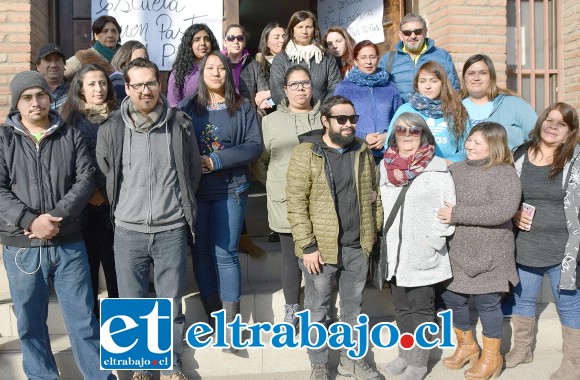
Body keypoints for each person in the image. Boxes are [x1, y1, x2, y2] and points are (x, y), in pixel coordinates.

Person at [1, 71, 113, 379]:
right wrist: (30, 221)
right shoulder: (4, 138)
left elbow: (85, 179)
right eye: (27, 98)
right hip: (22, 247)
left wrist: (55, 218)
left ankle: (98, 375)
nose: (35, 102)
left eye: (40, 95)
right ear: (17, 104)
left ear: (50, 98)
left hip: (68, 243)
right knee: (30, 323)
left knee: (83, 321)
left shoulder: (70, 134)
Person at [96, 58, 201, 380]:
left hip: (171, 228)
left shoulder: (179, 123)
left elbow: (192, 170)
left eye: (151, 83)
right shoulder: (111, 128)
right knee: (132, 301)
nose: (145, 90)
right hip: (128, 229)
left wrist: (179, 210)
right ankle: (141, 365)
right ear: (127, 88)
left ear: (160, 84)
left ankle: (170, 364)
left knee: (171, 302)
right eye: (137, 84)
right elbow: (104, 174)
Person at [286, 95, 383, 380]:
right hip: (320, 249)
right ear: (325, 121)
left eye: (353, 119)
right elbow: (295, 202)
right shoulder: (307, 153)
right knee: (317, 309)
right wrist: (307, 246)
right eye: (342, 119)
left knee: (353, 310)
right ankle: (318, 364)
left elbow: (373, 195)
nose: (349, 124)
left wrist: (372, 232)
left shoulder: (362, 149)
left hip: (357, 247)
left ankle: (351, 362)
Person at [178, 52, 263, 351]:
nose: (216, 73)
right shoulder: (188, 108)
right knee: (201, 252)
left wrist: (215, 159)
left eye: (221, 68)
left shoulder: (242, 107)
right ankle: (214, 320)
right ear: (201, 74)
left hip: (231, 188)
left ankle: (232, 325)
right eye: (209, 68)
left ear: (229, 73)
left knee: (225, 252)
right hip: (197, 191)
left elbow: (254, 146)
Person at [437, 122, 521, 380]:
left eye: (478, 142)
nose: (470, 145)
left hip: (492, 252)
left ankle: (492, 357)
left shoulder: (505, 173)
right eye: (470, 140)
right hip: (459, 250)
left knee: (488, 303)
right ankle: (467, 345)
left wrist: (457, 214)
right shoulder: (456, 170)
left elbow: (503, 211)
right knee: (452, 299)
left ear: (493, 145)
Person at [506, 103, 580, 380]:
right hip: (526, 243)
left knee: (569, 303)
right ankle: (522, 350)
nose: (553, 126)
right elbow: (510, 195)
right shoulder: (520, 153)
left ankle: (573, 362)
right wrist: (513, 214)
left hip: (565, 246)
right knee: (523, 298)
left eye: (561, 124)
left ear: (569, 131)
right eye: (549, 120)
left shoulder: (575, 157)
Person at [380, 112, 455, 380]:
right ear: (394, 134)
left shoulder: (437, 168)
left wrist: (432, 242)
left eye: (414, 130)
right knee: (400, 308)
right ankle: (405, 353)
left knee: (422, 309)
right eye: (401, 130)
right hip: (395, 252)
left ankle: (419, 363)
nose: (407, 135)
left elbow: (449, 209)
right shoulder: (385, 167)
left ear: (423, 134)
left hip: (424, 252)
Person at [257, 65, 323, 328]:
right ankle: (292, 311)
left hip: (320, 201)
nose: (300, 89)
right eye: (294, 84)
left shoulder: (324, 118)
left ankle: (316, 310)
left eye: (304, 83)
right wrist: (272, 183)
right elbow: (260, 161)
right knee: (290, 258)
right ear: (284, 90)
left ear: (312, 86)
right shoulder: (270, 121)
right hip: (284, 200)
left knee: (318, 256)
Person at [60, 63, 118, 317]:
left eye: (102, 82)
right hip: (87, 206)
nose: (99, 88)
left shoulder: (119, 114)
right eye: (92, 84)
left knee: (116, 266)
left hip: (117, 202)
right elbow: (69, 164)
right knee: (90, 266)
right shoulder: (70, 121)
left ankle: (120, 320)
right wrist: (92, 192)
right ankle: (94, 322)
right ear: (80, 89)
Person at [221, 23, 268, 257]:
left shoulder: (253, 65)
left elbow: (263, 92)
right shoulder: (217, 64)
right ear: (225, 41)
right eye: (231, 38)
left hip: (247, 125)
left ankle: (243, 236)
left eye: (240, 38)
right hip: (223, 126)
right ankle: (235, 235)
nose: (236, 42)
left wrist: (259, 106)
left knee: (243, 182)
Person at [334, 40, 402, 163]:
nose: (368, 62)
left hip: (388, 154)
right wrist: (363, 137)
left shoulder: (390, 88)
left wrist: (387, 137)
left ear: (378, 59)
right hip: (355, 153)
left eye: (372, 57)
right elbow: (336, 122)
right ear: (355, 61)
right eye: (363, 57)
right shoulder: (344, 88)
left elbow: (400, 119)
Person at [387, 61, 470, 162]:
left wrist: (447, 163)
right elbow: (389, 143)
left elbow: (467, 148)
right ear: (417, 84)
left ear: (443, 83)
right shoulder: (406, 110)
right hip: (411, 170)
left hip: (448, 170)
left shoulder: (457, 110)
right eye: (422, 81)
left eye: (434, 81)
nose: (427, 86)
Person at [378, 13, 459, 102]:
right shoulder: (389, 60)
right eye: (407, 33)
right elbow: (380, 93)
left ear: (425, 32)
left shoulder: (442, 56)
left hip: (436, 113)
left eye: (418, 31)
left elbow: (454, 90)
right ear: (401, 35)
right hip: (401, 113)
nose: (413, 36)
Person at [461, 54, 537, 149]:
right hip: (466, 163)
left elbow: (537, 137)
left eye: (483, 73)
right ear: (464, 78)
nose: (476, 78)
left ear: (491, 77)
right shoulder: (454, 107)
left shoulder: (515, 104)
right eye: (471, 73)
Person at [270, 10, 341, 105]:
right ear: (292, 30)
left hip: (320, 115)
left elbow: (335, 87)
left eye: (309, 27)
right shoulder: (281, 59)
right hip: (290, 116)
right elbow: (277, 89)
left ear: (314, 30)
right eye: (300, 27)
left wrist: (322, 111)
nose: (304, 31)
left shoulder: (327, 58)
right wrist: (295, 110)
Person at [167, 23, 219, 107]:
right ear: (189, 44)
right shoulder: (179, 70)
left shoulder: (222, 68)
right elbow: (173, 103)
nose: (202, 43)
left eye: (206, 39)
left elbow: (233, 96)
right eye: (197, 39)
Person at [65, 15, 121, 80]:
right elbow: (61, 72)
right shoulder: (85, 56)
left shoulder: (127, 55)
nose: (110, 35)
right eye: (105, 31)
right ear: (95, 35)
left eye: (114, 31)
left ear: (118, 34)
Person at [255, 22, 286, 112]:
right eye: (276, 37)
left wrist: (269, 93)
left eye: (284, 36)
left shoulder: (295, 61)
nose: (282, 40)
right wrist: (262, 100)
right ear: (267, 43)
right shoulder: (259, 65)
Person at [36, 43, 70, 110]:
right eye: (48, 60)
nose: (53, 65)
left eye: (57, 60)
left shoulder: (75, 91)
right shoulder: (30, 92)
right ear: (38, 66)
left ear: (64, 65)